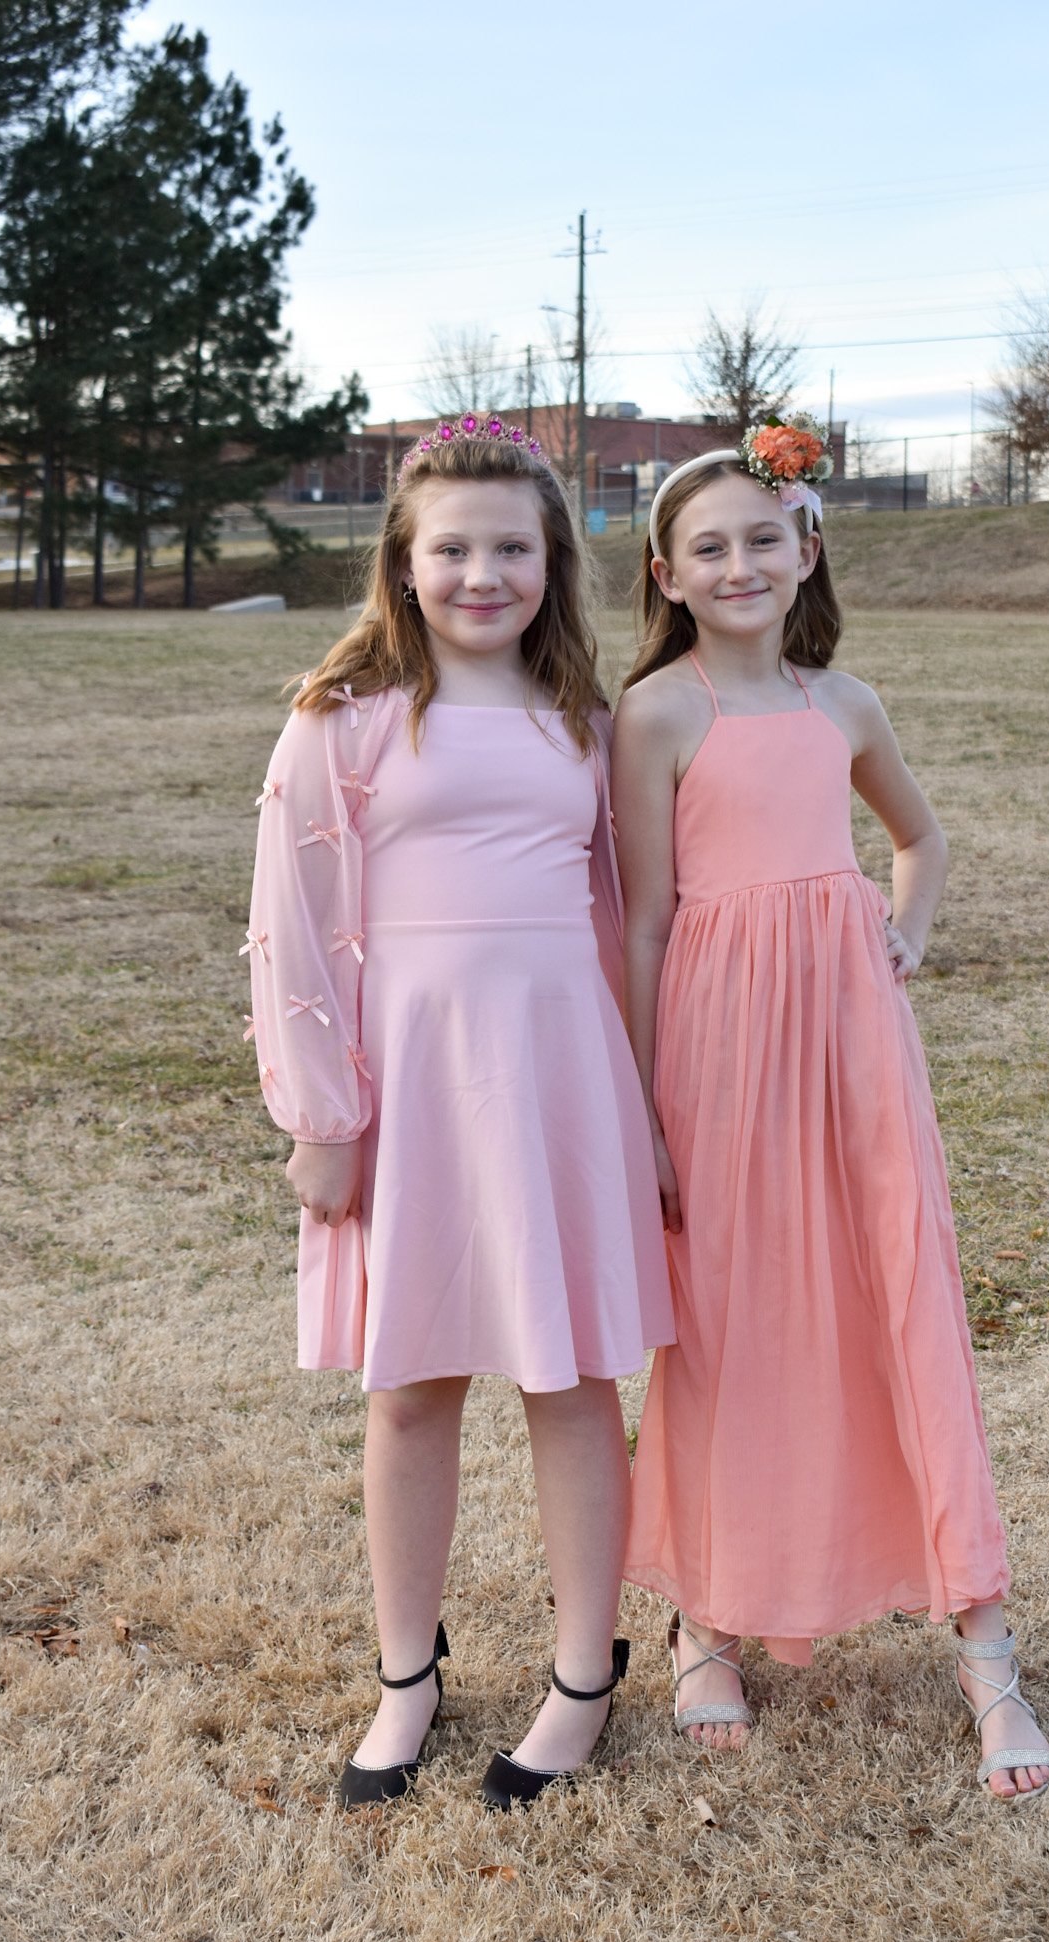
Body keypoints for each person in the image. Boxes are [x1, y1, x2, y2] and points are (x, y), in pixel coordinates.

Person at [613, 417, 1049, 1803]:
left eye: (763, 538)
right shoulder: (656, 714)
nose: (739, 564)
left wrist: (903, 932)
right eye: (708, 548)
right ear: (666, 575)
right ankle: (706, 1619)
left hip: (854, 1044)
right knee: (730, 1321)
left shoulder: (844, 703)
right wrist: (647, 1111)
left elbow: (918, 838)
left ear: (806, 551)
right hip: (717, 1051)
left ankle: (985, 1647)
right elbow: (641, 923)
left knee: (897, 1295)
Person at [244, 415, 673, 1812]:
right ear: (403, 562)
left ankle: (581, 1676)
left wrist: (646, 1108)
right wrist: (322, 1116)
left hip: (557, 1076)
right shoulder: (344, 715)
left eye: (511, 549)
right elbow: (294, 923)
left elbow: (624, 918)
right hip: (412, 1080)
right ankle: (405, 1677)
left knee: (570, 1377)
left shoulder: (585, 723)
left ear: (551, 561)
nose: (482, 576)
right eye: (452, 550)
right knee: (412, 1384)